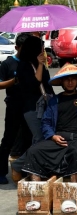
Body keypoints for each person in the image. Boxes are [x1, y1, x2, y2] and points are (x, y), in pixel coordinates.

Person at [21, 62, 77, 212]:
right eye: (67, 79)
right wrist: (52, 136)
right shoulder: (54, 101)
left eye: (73, 79)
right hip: (58, 139)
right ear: (61, 82)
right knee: (33, 151)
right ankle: (36, 197)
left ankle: (71, 197)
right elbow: (46, 122)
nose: (70, 82)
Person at [0, 33, 30, 184]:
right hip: (13, 106)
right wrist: (14, 80)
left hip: (29, 107)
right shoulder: (7, 64)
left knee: (29, 138)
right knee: (8, 139)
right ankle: (1, 172)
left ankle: (28, 170)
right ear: (16, 47)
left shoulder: (32, 63)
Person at [17, 35, 54, 144]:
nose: (43, 51)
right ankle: (21, 162)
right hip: (33, 108)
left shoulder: (40, 64)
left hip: (46, 105)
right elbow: (35, 82)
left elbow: (47, 84)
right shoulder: (24, 66)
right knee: (39, 138)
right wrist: (40, 65)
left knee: (45, 137)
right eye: (41, 48)